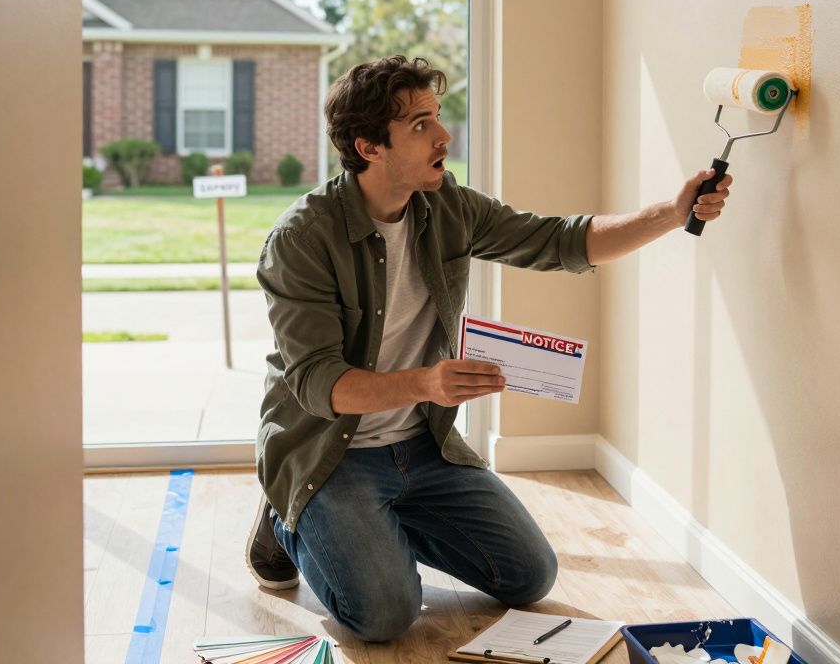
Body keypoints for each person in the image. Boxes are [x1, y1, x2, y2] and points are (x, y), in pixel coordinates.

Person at [246, 56, 731, 642]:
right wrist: (426, 382)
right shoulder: (302, 238)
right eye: (420, 124)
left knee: (531, 575)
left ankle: (377, 524)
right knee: (383, 617)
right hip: (330, 452)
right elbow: (320, 384)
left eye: (437, 116)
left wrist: (672, 213)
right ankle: (285, 509)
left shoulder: (447, 204)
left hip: (422, 446)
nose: (443, 135)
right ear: (369, 146)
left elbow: (558, 240)